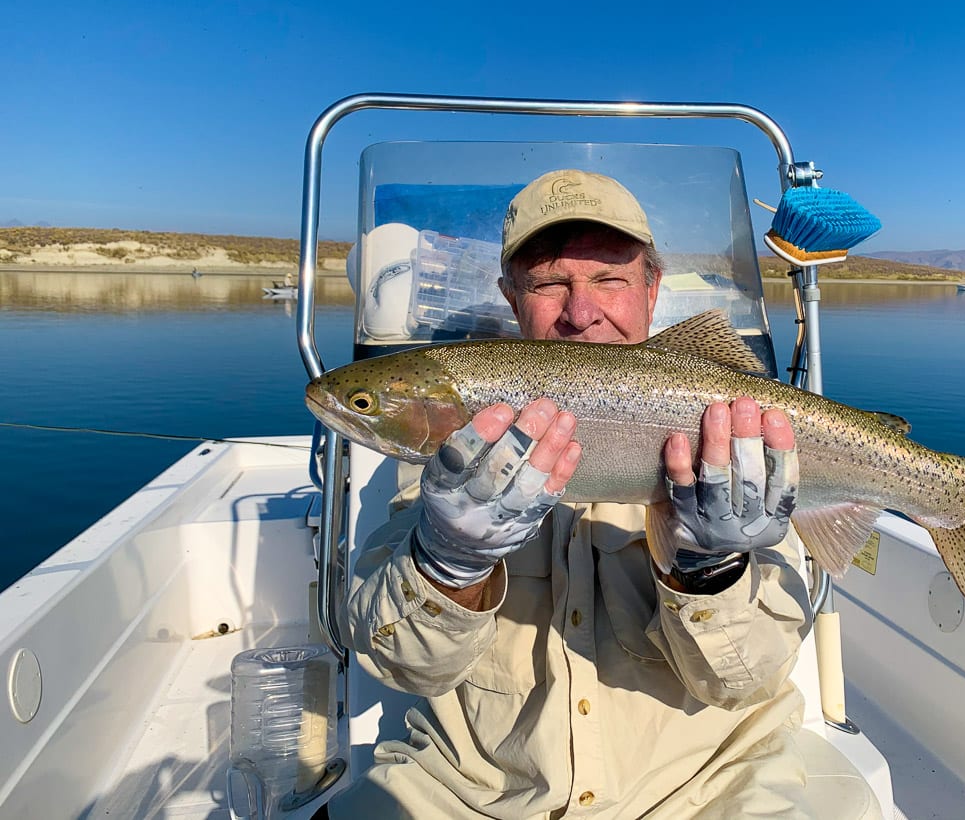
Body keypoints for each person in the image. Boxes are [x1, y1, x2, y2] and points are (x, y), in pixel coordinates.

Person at [322, 170, 882, 818]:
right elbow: (404, 666)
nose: (581, 312)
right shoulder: (459, 447)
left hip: (710, 787)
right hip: (480, 796)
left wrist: (712, 574)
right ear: (510, 296)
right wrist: (447, 565)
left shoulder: (744, 447)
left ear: (652, 288)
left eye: (609, 279)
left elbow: (743, 681)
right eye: (550, 282)